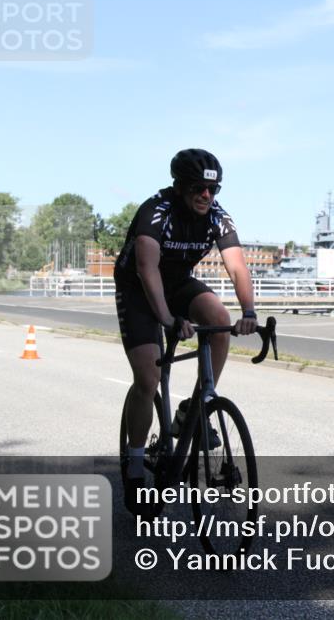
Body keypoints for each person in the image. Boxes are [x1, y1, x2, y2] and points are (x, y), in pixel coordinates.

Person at [114, 148, 257, 514]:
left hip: (177, 282)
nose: (206, 196)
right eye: (197, 188)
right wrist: (166, 319)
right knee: (148, 378)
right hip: (139, 288)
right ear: (179, 186)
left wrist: (249, 312)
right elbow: (147, 269)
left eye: (213, 189)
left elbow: (238, 266)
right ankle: (134, 464)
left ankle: (196, 407)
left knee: (217, 318)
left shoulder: (217, 217)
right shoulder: (156, 211)